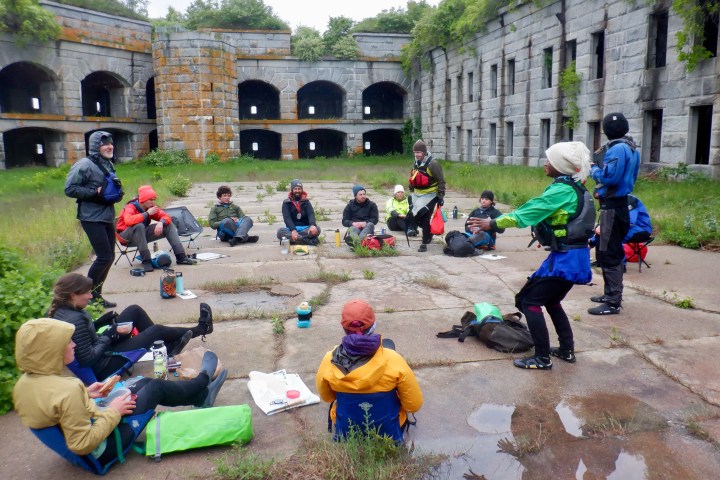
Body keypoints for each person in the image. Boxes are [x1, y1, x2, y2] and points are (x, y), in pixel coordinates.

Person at [13, 318, 227, 471]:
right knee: (155, 388)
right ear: (50, 351)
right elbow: (82, 444)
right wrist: (114, 412)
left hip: (91, 430)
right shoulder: (67, 390)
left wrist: (86, 395)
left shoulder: (25, 384)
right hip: (103, 450)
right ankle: (203, 380)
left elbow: (53, 407)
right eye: (68, 342)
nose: (74, 344)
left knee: (140, 381)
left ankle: (200, 396)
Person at [467, 142, 595, 370]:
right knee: (552, 300)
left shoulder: (563, 190)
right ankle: (566, 350)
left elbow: (529, 211)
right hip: (571, 257)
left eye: (550, 160)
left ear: (561, 166)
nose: (545, 163)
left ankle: (542, 357)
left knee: (529, 301)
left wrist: (494, 222)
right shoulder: (574, 186)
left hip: (566, 260)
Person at [49, 273, 213, 381]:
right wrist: (110, 334)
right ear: (72, 295)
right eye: (87, 293)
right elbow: (88, 359)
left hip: (102, 348)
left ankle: (167, 347)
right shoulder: (75, 320)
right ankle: (201, 329)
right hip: (105, 365)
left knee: (133, 310)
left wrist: (100, 323)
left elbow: (85, 338)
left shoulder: (63, 309)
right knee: (155, 331)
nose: (91, 296)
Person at [315, 299, 423, 443]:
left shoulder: (329, 359)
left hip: (346, 433)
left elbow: (328, 397)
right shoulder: (394, 360)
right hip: (388, 434)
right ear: (373, 326)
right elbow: (413, 405)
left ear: (344, 328)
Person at [587, 113, 640, 315]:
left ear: (606, 130)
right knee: (605, 250)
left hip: (613, 207)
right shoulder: (633, 148)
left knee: (609, 252)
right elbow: (632, 177)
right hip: (620, 204)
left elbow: (610, 177)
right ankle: (609, 294)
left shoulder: (617, 149)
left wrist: (593, 170)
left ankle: (612, 302)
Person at [64, 131, 124, 308]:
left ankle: (95, 295)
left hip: (106, 216)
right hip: (91, 217)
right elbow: (70, 189)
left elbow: (109, 188)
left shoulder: (108, 164)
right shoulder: (84, 164)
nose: (109, 146)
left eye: (111, 143)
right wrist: (93, 194)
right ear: (96, 146)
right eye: (104, 143)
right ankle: (83, 295)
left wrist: (117, 195)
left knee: (110, 256)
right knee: (104, 256)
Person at [116, 185, 198, 273]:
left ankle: (181, 257)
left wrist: (161, 222)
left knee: (168, 225)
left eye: (154, 199)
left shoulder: (151, 207)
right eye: (151, 199)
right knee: (139, 226)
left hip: (141, 235)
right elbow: (129, 221)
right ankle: (146, 261)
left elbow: (166, 216)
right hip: (125, 237)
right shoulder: (130, 207)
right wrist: (147, 214)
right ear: (143, 200)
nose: (153, 202)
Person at [408, 140, 446, 252]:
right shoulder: (416, 162)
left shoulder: (433, 164)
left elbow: (441, 181)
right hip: (418, 194)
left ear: (424, 152)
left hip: (431, 195)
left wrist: (440, 196)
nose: (417, 155)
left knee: (424, 218)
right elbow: (414, 175)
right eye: (415, 152)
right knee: (413, 216)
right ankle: (429, 234)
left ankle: (424, 243)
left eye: (419, 152)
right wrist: (411, 187)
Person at [276, 179, 321, 245]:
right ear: (292, 190)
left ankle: (294, 240)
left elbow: (311, 214)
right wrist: (293, 230)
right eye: (295, 189)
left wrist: (312, 225)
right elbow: (287, 218)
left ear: (302, 190)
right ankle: (307, 240)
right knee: (280, 232)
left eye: (299, 189)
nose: (297, 191)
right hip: (291, 229)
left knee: (317, 229)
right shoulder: (286, 203)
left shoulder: (306, 202)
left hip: (305, 228)